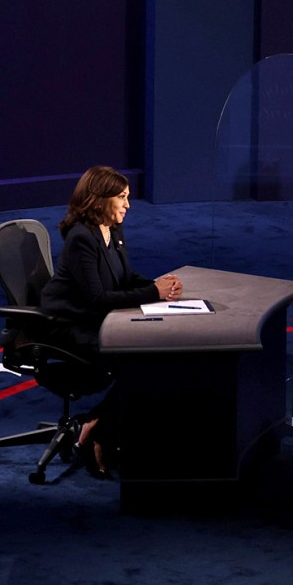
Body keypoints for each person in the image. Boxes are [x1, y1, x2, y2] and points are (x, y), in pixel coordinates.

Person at [41, 166, 183, 474]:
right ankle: (99, 435)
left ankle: (96, 423)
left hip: (96, 320)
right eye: (122, 197)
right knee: (141, 361)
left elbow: (124, 278)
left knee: (158, 356)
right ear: (99, 199)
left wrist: (161, 286)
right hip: (68, 326)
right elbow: (97, 299)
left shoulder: (111, 229)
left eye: (128, 197)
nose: (128, 205)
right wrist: (152, 293)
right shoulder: (82, 238)